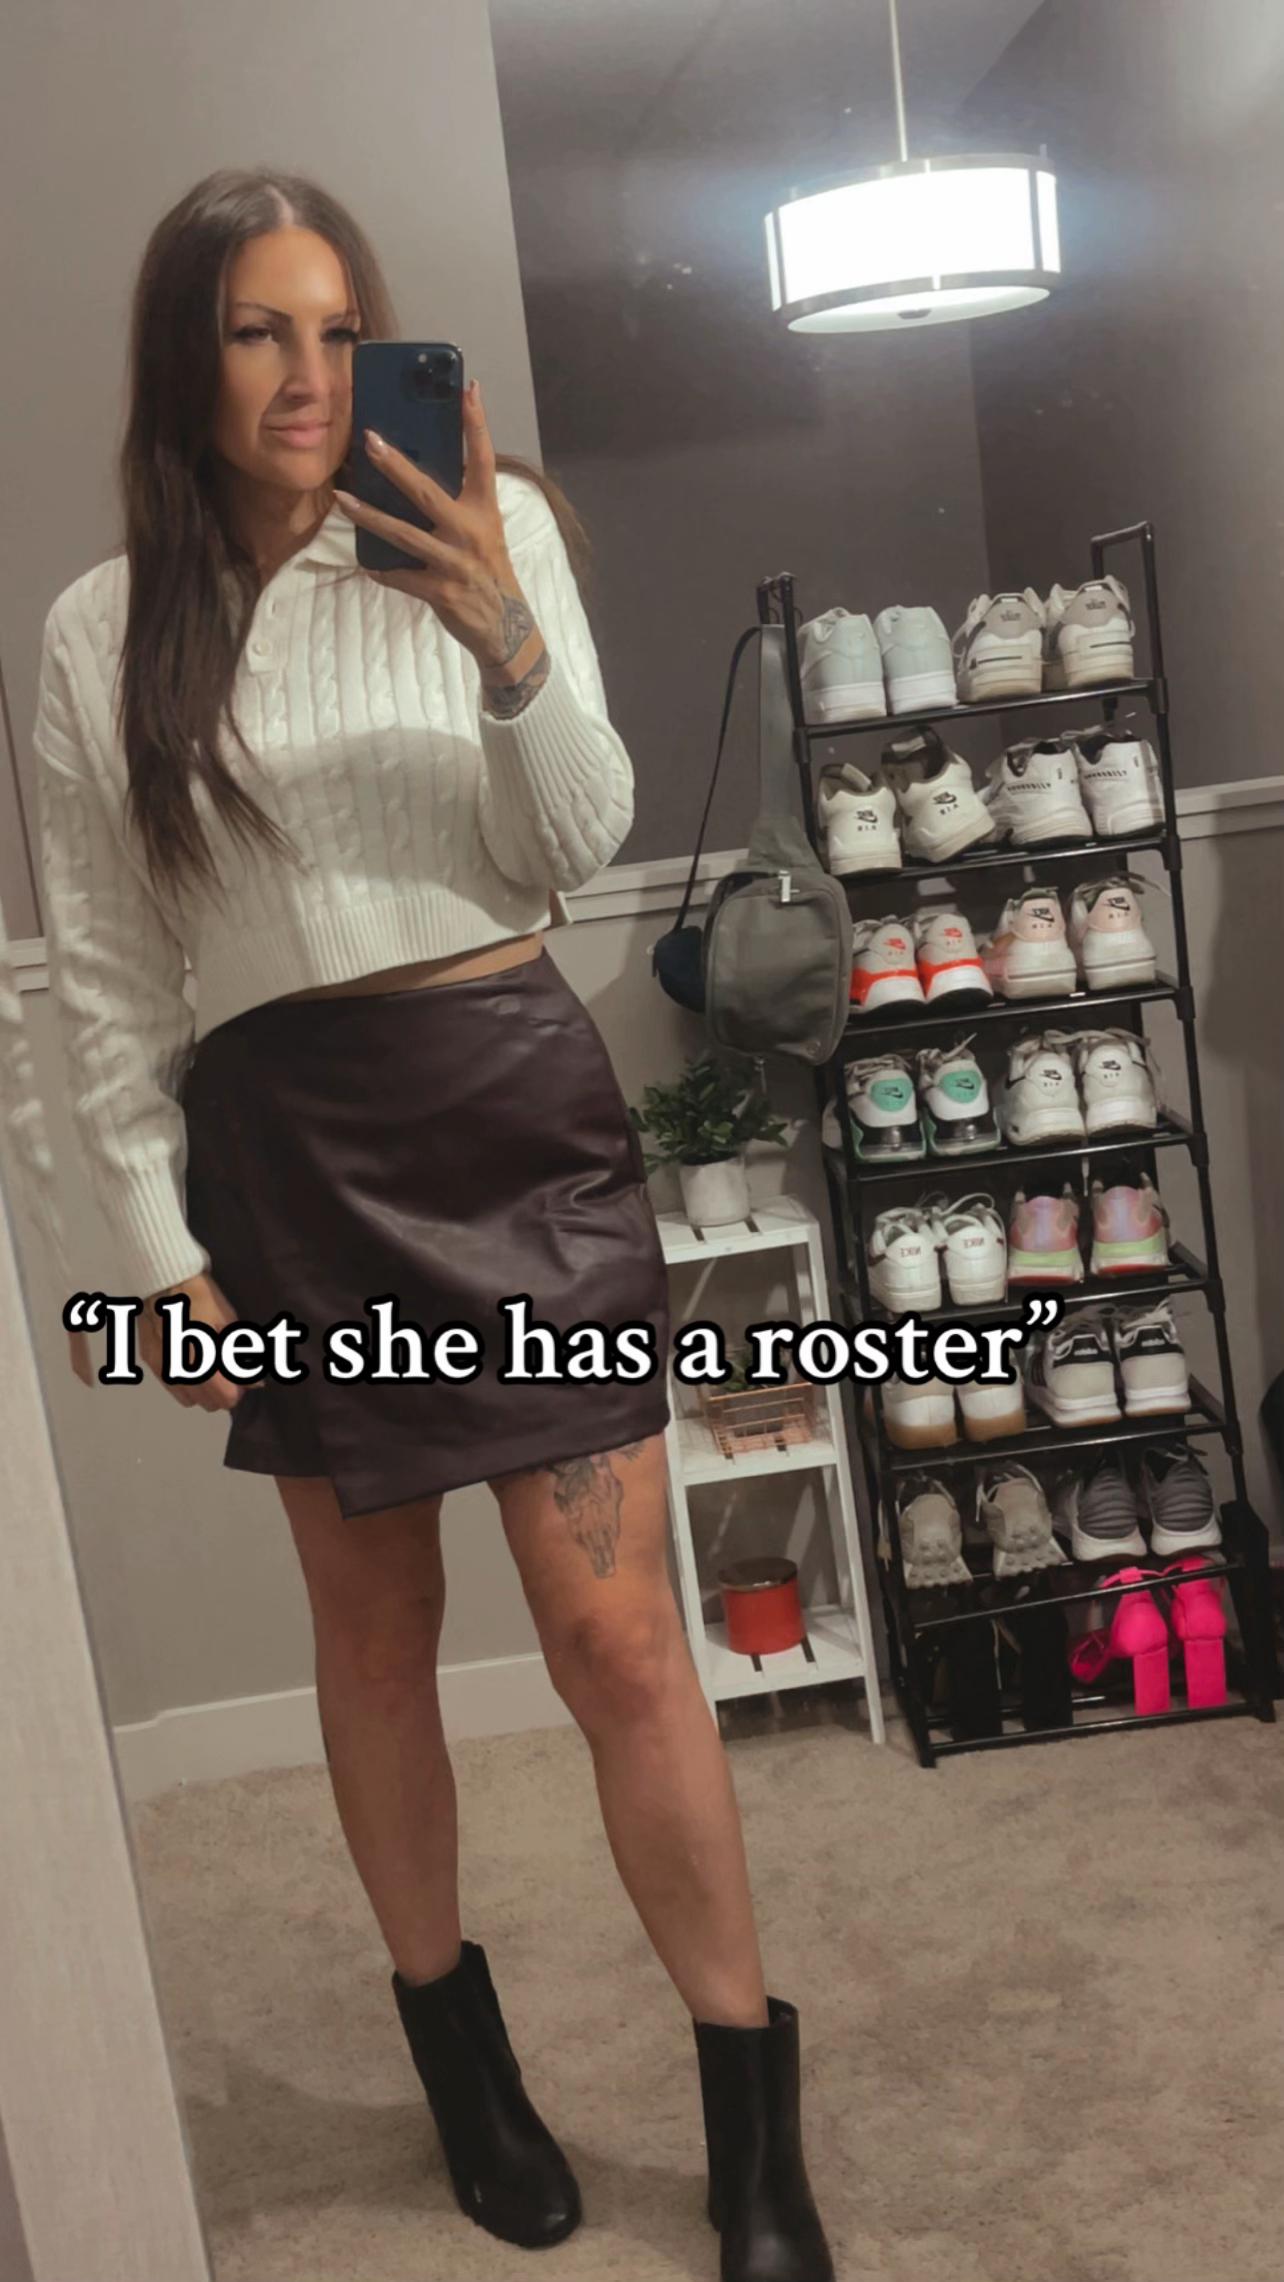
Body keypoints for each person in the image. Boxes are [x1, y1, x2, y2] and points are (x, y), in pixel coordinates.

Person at [32, 166, 834, 2282]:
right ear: (184, 359)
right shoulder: (104, 633)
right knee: (375, 1642)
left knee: (619, 1639)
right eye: (256, 331)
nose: (307, 375)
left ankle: (751, 2122)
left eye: (334, 326)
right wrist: (159, 1251)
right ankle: (467, 2077)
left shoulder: (497, 527)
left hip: (508, 1118)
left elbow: (571, 838)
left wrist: (499, 624)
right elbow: (102, 981)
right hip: (286, 1166)